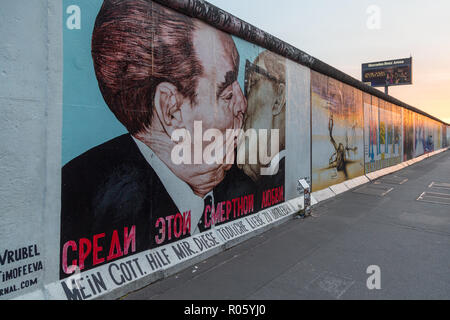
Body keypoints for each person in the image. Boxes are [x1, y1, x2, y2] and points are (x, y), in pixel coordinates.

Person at [60, 0, 255, 278]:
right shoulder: (83, 206)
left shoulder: (242, 187)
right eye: (226, 93)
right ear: (171, 110)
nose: (242, 103)